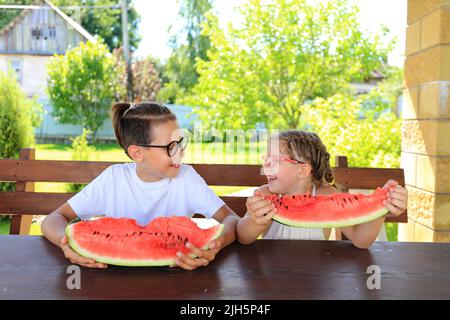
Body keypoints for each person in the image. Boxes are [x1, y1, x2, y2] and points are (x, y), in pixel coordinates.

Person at [41, 102, 239, 270]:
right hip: (113, 283)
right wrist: (65, 243)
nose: (180, 153)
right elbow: (53, 219)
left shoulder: (187, 178)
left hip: (176, 281)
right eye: (171, 147)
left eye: (181, 143)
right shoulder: (113, 179)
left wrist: (215, 245)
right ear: (137, 153)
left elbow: (231, 219)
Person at [237, 130, 408, 249]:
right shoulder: (265, 195)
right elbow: (244, 237)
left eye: (274, 160)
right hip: (274, 276)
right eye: (265, 158)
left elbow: (360, 240)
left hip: (316, 278)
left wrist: (380, 208)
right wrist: (255, 220)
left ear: (302, 170)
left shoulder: (328, 195)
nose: (265, 164)